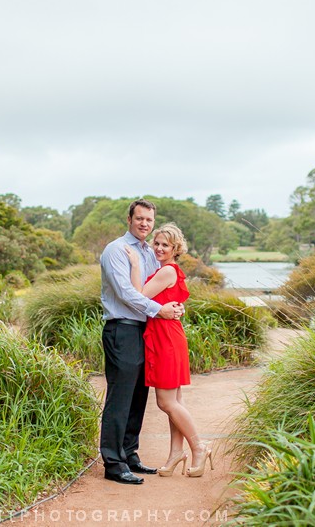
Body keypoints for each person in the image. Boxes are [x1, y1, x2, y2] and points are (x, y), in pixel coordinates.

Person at [99, 199, 185, 485]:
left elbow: (155, 288)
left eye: (149, 219)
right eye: (139, 218)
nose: (144, 224)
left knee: (138, 396)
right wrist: (160, 310)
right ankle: (113, 463)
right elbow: (127, 293)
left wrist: (174, 306)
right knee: (120, 397)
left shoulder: (150, 252)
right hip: (122, 329)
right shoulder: (116, 250)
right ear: (129, 219)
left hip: (146, 331)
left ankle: (129, 454)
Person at [124, 222, 213, 478]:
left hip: (166, 339)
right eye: (157, 243)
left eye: (166, 245)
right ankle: (176, 453)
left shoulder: (167, 271)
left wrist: (135, 265)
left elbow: (139, 295)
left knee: (166, 402)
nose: (159, 248)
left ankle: (199, 447)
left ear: (175, 248)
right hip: (166, 335)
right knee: (175, 401)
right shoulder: (167, 271)